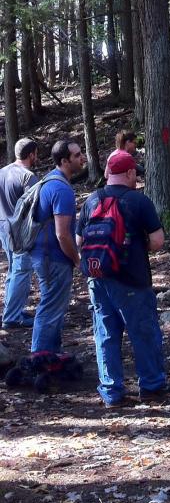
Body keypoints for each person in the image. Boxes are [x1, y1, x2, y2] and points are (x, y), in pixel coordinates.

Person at [76, 150, 170, 408]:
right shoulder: (138, 201)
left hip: (97, 279)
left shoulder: (91, 200)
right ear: (130, 173)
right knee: (143, 332)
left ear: (108, 173)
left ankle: (111, 392)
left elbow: (78, 241)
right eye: (135, 173)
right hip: (132, 280)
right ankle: (152, 386)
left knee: (105, 334)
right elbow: (158, 241)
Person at [29, 139, 85, 352]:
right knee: (51, 308)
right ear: (64, 160)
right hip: (53, 258)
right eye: (77, 155)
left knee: (52, 306)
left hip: (43, 255)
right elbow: (62, 234)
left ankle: (51, 356)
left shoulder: (49, 180)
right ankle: (40, 359)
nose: (82, 157)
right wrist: (77, 260)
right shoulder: (61, 190)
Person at [0, 138, 39, 329]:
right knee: (21, 272)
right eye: (36, 153)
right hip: (20, 231)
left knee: (14, 271)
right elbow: (33, 208)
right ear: (31, 154)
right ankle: (12, 317)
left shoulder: (2, 172)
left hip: (4, 228)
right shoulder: (28, 176)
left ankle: (12, 308)